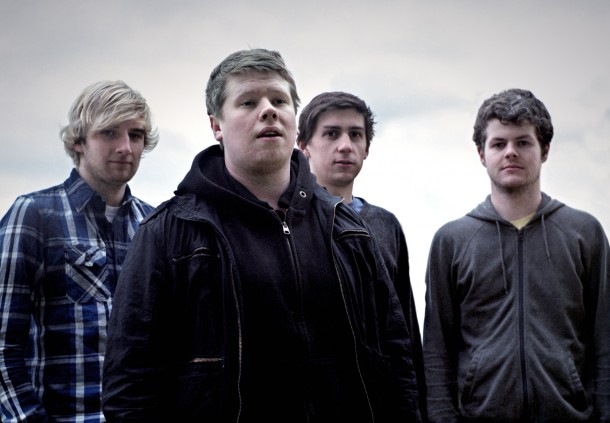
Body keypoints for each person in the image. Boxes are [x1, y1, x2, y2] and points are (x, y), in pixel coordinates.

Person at [102, 48, 422, 422]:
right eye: (248, 102)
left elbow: (397, 362)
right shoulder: (169, 233)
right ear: (216, 125)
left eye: (279, 100)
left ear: (294, 120)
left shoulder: (347, 229)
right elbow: (130, 388)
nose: (268, 110)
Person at [423, 88, 610, 422]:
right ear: (481, 154)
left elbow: (605, 340)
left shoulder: (584, 233)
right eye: (498, 144)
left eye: (523, 142)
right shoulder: (451, 241)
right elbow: (437, 350)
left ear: (545, 150)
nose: (510, 152)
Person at [0, 80, 159, 422]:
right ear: (78, 141)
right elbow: (3, 346)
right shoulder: (33, 214)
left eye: (135, 135)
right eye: (109, 133)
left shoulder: (154, 224)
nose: (125, 147)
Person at [296, 90, 426, 420]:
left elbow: (405, 329)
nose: (345, 145)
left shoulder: (385, 225)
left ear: (367, 147)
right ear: (304, 145)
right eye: (331, 134)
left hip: (377, 405)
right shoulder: (288, 223)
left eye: (355, 135)